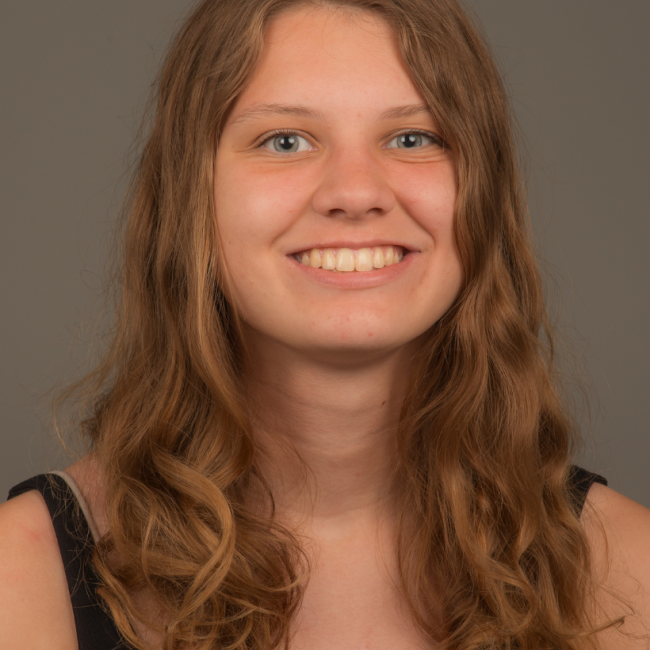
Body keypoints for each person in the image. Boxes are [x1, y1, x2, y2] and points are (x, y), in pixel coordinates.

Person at [1, 0, 649, 648]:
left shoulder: (629, 569)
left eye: (412, 137)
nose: (356, 191)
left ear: (483, 192)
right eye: (285, 140)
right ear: (189, 196)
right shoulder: (23, 575)